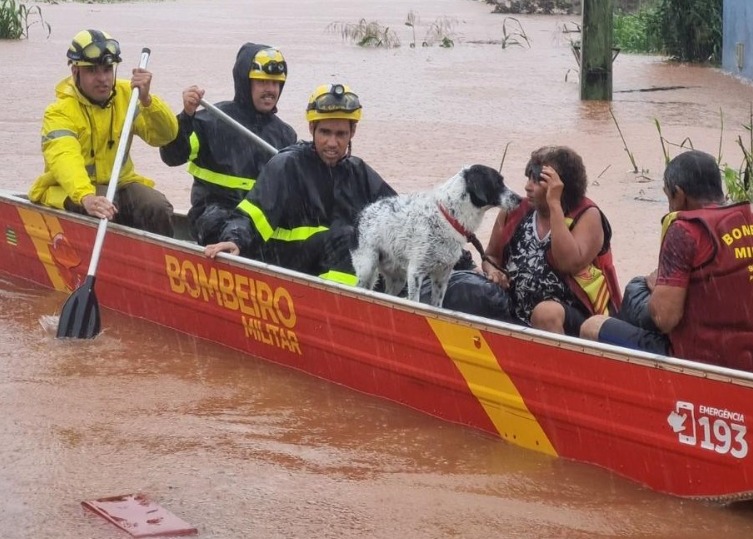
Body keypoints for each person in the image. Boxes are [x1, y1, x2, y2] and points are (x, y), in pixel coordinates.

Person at [204, 83, 396, 285]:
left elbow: (396, 214)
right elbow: (251, 216)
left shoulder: (358, 171)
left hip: (334, 262)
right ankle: (341, 308)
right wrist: (234, 240)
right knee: (349, 239)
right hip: (286, 264)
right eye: (325, 132)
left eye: (340, 134)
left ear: (352, 132)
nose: (332, 143)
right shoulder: (287, 166)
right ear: (312, 128)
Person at [580, 150, 753, 370]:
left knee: (593, 325)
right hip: (744, 360)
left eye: (668, 197)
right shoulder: (746, 220)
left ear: (679, 194)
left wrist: (657, 286)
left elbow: (664, 318)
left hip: (695, 359)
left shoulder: (685, 230)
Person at [29, 29, 178, 236]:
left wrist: (147, 101)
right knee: (101, 208)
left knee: (157, 207)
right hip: (72, 191)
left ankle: (157, 263)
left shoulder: (130, 95)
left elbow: (166, 136)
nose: (102, 78)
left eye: (108, 69)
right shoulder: (59, 112)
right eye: (92, 70)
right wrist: (86, 197)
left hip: (121, 184)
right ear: (75, 72)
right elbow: (64, 159)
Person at [160, 43, 297, 245]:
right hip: (213, 213)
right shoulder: (211, 121)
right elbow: (172, 156)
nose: (270, 90)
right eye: (262, 82)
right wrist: (186, 117)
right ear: (244, 82)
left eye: (276, 83)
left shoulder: (286, 135)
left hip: (258, 216)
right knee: (222, 223)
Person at [481, 146, 621, 336]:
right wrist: (493, 271)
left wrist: (555, 205)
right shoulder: (514, 211)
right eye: (528, 178)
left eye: (537, 181)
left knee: (545, 313)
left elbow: (568, 263)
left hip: (576, 318)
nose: (527, 187)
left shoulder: (587, 216)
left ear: (560, 187)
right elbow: (491, 255)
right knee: (472, 289)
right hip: (515, 308)